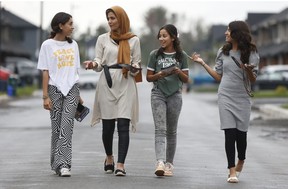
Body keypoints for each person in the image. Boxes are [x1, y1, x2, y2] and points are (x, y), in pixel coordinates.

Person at [191, 20, 259, 183]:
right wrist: (202, 63)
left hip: (242, 98)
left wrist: (249, 70)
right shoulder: (223, 51)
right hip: (225, 96)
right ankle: (231, 170)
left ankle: (241, 159)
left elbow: (253, 79)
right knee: (229, 133)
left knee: (241, 135)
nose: (225, 33)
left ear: (237, 33)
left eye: (228, 30)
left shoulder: (251, 52)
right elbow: (218, 76)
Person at [83, 6, 142, 176]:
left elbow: (137, 62)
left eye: (113, 18)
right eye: (108, 18)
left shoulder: (134, 40)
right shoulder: (102, 39)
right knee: (108, 126)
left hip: (126, 82)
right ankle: (109, 157)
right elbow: (99, 62)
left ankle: (121, 164)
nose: (110, 21)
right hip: (107, 84)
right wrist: (93, 64)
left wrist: (135, 68)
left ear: (121, 19)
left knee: (123, 124)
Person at [37, 12, 82, 177]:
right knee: (56, 129)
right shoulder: (47, 45)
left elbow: (75, 71)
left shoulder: (74, 45)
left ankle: (64, 165)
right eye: (70, 23)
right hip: (54, 89)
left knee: (67, 127)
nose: (72, 26)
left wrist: (79, 94)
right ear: (60, 25)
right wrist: (45, 96)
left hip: (72, 89)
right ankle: (55, 163)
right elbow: (45, 72)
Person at [146, 24, 189, 177]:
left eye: (164, 36)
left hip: (175, 95)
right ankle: (160, 162)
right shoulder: (154, 55)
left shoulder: (181, 55)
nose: (161, 39)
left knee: (171, 131)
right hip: (158, 93)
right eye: (160, 36)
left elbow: (186, 79)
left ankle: (169, 164)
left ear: (173, 37)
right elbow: (148, 77)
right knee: (160, 129)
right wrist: (160, 75)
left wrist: (177, 71)